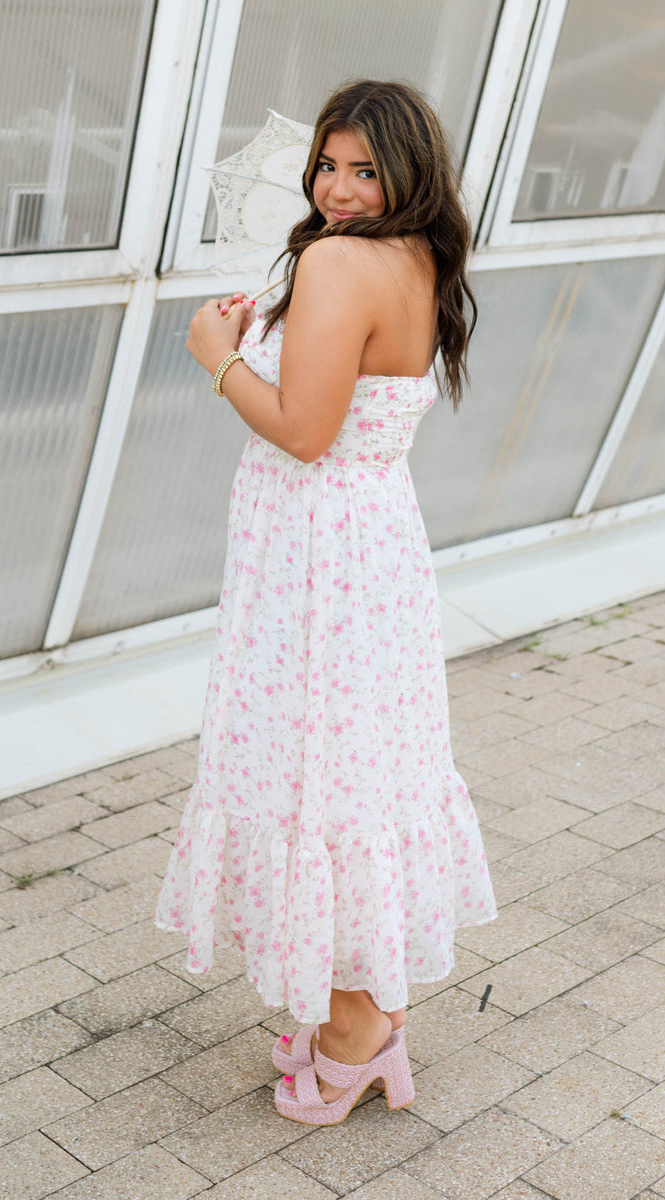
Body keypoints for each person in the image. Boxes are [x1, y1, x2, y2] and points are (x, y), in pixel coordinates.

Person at [156, 79, 496, 1125]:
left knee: (318, 780)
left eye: (364, 168)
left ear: (407, 171)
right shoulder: (414, 257)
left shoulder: (335, 260)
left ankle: (353, 1039)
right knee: (362, 773)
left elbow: (304, 430)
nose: (340, 188)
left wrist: (218, 360)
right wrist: (266, 328)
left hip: (315, 563)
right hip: (372, 552)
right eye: (328, 164)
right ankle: (371, 1018)